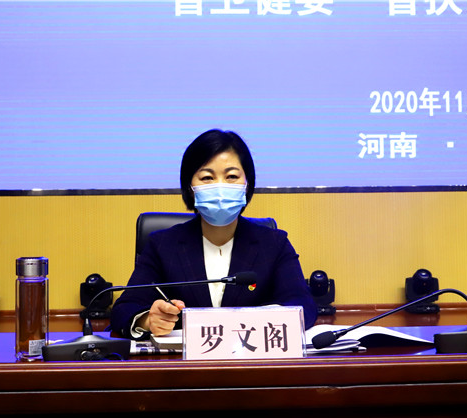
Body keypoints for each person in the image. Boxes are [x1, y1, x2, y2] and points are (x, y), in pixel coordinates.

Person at [110, 129, 317, 339]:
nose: (220, 187)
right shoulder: (162, 245)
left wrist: (263, 319)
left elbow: (304, 306)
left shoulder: (274, 244)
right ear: (190, 187)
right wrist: (148, 320)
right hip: (182, 359)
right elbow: (124, 309)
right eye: (207, 177)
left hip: (251, 355)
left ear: (247, 185)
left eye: (232, 176)